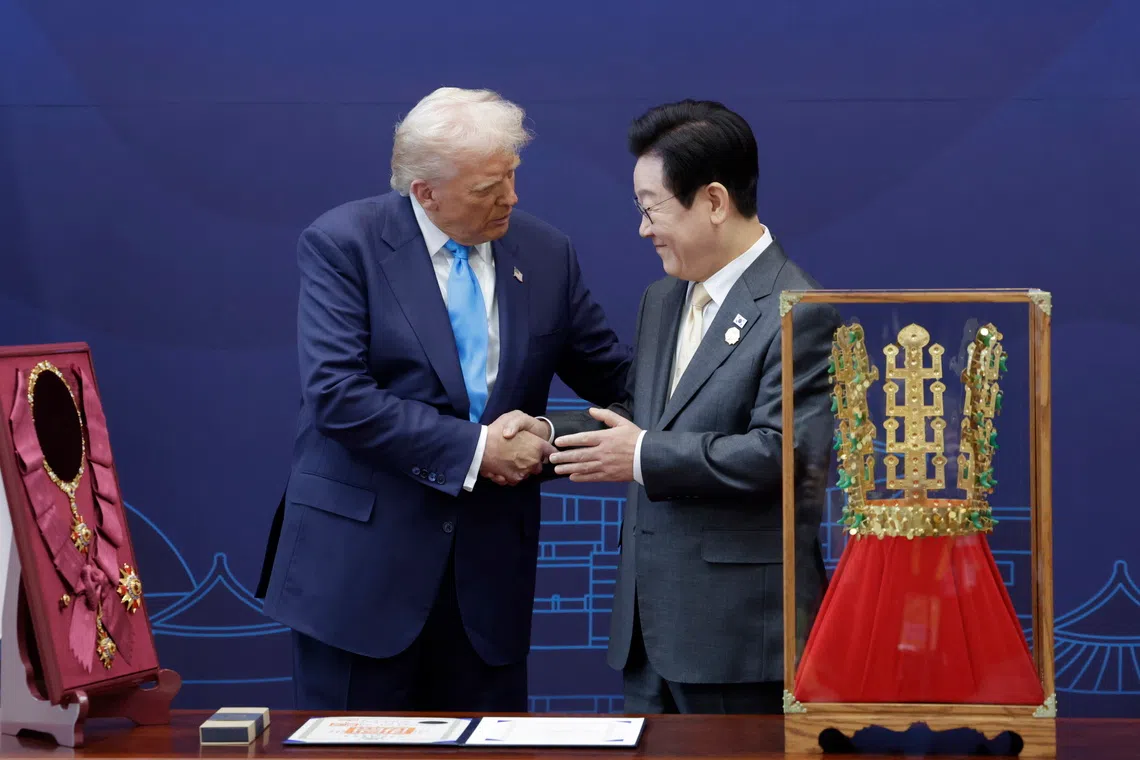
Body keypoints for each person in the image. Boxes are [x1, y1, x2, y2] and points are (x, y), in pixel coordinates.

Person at [257, 87, 632, 713]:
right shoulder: (344, 243)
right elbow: (338, 395)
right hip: (359, 581)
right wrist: (478, 449)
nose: (511, 198)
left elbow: (617, 381)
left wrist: (546, 428)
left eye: (513, 176)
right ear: (424, 192)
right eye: (489, 188)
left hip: (486, 588)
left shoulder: (544, 253)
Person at [509, 100, 840, 714]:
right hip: (648, 633)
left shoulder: (799, 309)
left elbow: (783, 455)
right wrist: (546, 433)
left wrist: (641, 455)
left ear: (714, 201)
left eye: (650, 207)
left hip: (739, 638)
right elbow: (641, 416)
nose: (642, 228)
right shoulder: (663, 299)